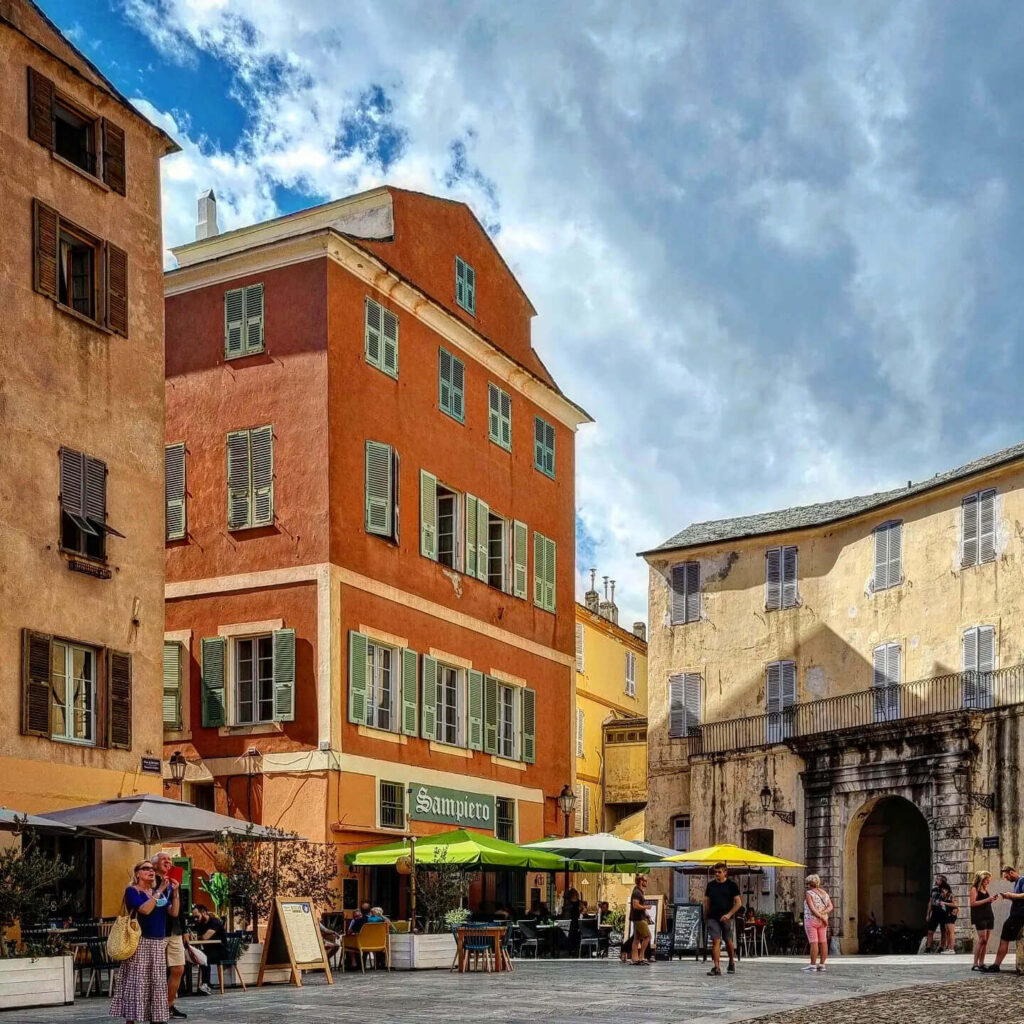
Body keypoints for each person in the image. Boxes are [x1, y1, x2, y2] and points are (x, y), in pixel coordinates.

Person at [109, 859, 178, 1024]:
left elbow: (173, 912)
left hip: (158, 943)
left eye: (152, 868)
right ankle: (131, 1020)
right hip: (140, 942)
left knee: (156, 983)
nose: (151, 871)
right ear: (137, 873)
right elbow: (145, 910)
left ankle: (157, 1018)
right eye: (146, 868)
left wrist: (175, 893)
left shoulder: (156, 892)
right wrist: (159, 890)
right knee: (137, 983)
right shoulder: (133, 891)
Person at [153, 851, 187, 1019]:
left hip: (175, 930)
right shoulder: (151, 881)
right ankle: (156, 1006)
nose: (168, 861)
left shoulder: (175, 881)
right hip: (158, 931)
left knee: (178, 968)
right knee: (157, 971)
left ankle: (168, 1005)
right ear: (154, 864)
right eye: (163, 859)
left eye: (169, 859)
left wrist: (184, 930)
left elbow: (180, 910)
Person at [984, 865, 1024, 972]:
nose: (1006, 879)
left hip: (1019, 915)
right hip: (1017, 914)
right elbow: (1019, 899)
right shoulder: (1017, 883)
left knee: (1004, 938)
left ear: (1011, 872)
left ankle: (996, 965)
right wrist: (1008, 897)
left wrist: (1011, 895)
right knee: (1005, 937)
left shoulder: (1022, 880)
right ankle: (996, 964)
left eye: (1007, 876)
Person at [704, 862, 741, 977]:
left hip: (726, 917)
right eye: (715, 872)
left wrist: (729, 915)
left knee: (728, 940)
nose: (717, 874)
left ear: (725, 872)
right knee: (716, 940)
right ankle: (717, 967)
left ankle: (731, 962)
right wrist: (706, 917)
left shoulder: (731, 885)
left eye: (719, 872)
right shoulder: (711, 885)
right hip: (713, 917)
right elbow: (707, 902)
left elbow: (738, 903)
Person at [802, 874, 834, 972]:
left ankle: (812, 965)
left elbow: (812, 909)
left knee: (814, 942)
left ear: (809, 884)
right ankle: (822, 964)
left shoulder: (809, 893)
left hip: (811, 920)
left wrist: (820, 916)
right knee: (823, 942)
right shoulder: (824, 893)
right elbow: (830, 907)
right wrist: (823, 915)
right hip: (823, 921)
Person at [191, 904, 226, 993]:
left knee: (204, 956)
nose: (195, 919)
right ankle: (184, 987)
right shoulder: (199, 924)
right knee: (197, 955)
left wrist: (196, 937)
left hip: (221, 951)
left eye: (197, 916)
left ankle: (206, 984)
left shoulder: (215, 922)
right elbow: (193, 935)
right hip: (209, 950)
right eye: (194, 917)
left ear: (204, 913)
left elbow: (205, 937)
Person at [969, 871, 997, 971]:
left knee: (986, 941)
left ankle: (981, 963)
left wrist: (992, 900)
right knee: (982, 940)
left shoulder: (985, 889)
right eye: (986, 880)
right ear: (981, 879)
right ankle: (975, 964)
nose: (988, 882)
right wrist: (987, 900)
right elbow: (973, 903)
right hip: (980, 917)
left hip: (989, 915)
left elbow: (985, 902)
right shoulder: (974, 889)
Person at [924, 873, 952, 952]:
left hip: (944, 912)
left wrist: (945, 893)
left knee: (943, 931)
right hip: (935, 912)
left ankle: (942, 947)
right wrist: (928, 914)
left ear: (943, 881)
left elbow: (950, 900)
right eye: (937, 879)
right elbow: (930, 902)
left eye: (939, 879)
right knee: (930, 931)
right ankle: (928, 947)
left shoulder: (947, 890)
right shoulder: (934, 890)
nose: (937, 880)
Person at [629, 875, 651, 966]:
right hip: (639, 919)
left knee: (636, 939)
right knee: (648, 936)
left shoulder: (639, 891)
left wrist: (646, 914)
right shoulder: (637, 892)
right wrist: (646, 907)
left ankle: (635, 959)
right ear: (641, 881)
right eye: (645, 880)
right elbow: (635, 905)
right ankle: (641, 957)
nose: (646, 882)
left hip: (638, 917)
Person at [942, 882, 959, 954]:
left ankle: (952, 948)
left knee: (951, 932)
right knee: (947, 932)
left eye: (943, 889)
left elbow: (954, 904)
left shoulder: (951, 895)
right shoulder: (945, 896)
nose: (942, 891)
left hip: (951, 915)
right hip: (946, 914)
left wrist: (944, 903)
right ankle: (948, 948)